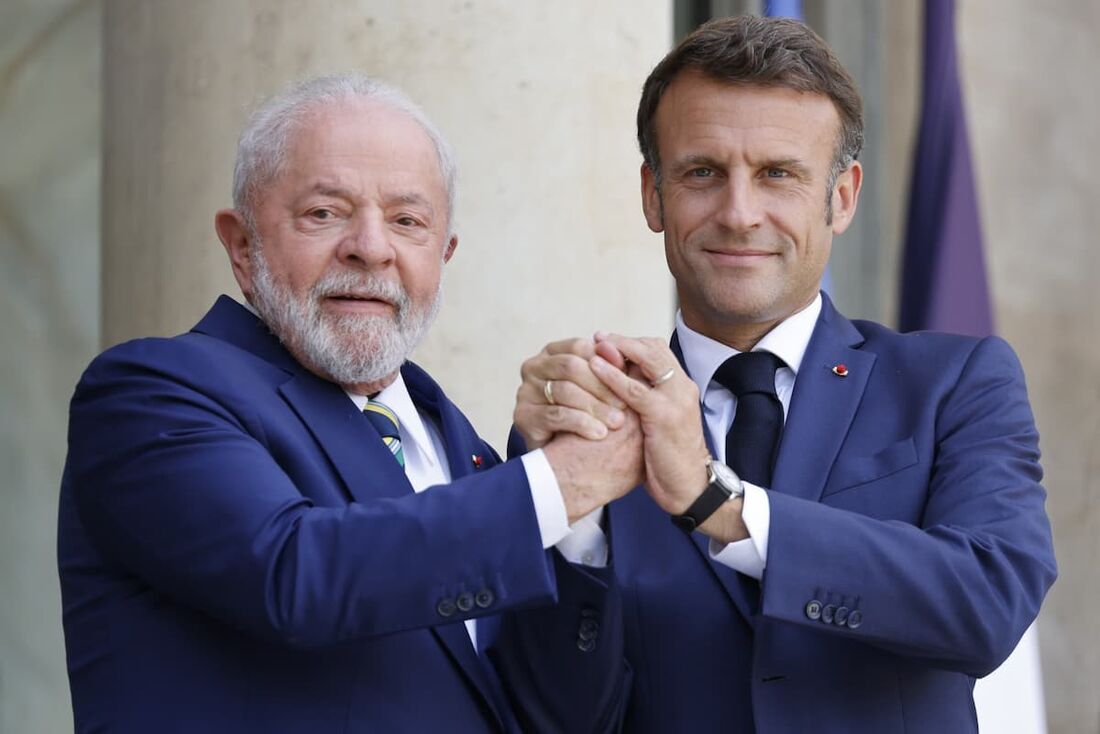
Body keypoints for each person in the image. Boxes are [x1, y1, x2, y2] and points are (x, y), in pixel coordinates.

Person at [493, 16, 1057, 733]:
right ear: (652, 194)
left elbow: (986, 605)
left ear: (843, 197)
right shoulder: (588, 415)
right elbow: (543, 714)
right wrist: (575, 529)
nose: (738, 213)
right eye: (702, 172)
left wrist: (718, 506)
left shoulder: (955, 384)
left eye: (778, 175)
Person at [57, 73, 642, 733]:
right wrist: (559, 484)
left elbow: (555, 717)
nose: (371, 248)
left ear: (444, 254)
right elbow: (292, 575)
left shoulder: (459, 442)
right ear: (242, 245)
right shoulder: (151, 392)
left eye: (407, 221)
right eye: (325, 212)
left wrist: (579, 523)